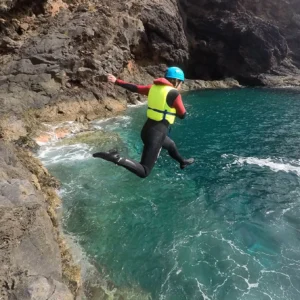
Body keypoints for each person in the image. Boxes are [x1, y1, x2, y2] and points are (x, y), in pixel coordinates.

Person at [93, 67, 194, 178]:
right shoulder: (174, 93)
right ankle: (116, 157)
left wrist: (117, 81)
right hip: (157, 134)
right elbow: (183, 115)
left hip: (147, 130)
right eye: (181, 83)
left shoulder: (153, 88)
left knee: (170, 145)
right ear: (176, 81)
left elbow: (135, 88)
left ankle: (182, 161)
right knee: (144, 171)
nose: (181, 86)